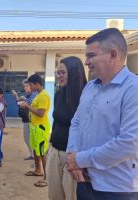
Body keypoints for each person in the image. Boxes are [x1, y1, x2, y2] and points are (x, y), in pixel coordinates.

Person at [66, 28, 138, 200]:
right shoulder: (90, 87)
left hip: (116, 190)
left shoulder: (133, 89)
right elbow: (76, 122)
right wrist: (72, 156)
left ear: (113, 54)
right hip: (84, 181)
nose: (86, 62)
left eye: (91, 55)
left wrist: (80, 159)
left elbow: (130, 142)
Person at [46, 56, 87, 200]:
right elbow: (56, 121)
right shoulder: (58, 94)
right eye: (57, 73)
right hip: (55, 152)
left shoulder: (86, 97)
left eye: (62, 72)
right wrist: (50, 146)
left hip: (74, 157)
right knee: (54, 195)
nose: (58, 76)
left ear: (74, 72)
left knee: (71, 196)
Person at [19, 73, 51, 187]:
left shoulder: (43, 96)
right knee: (36, 150)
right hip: (35, 126)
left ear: (37, 84)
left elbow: (41, 113)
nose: (30, 87)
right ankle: (38, 170)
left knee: (42, 152)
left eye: (31, 85)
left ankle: (47, 177)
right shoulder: (38, 94)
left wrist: (27, 106)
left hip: (41, 127)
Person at [12, 79, 38, 160]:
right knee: (27, 139)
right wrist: (16, 96)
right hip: (26, 120)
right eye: (24, 86)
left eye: (27, 86)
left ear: (31, 86)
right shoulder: (28, 95)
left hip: (31, 121)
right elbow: (20, 104)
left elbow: (30, 103)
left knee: (30, 139)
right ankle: (33, 155)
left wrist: (24, 99)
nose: (25, 88)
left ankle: (35, 156)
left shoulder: (34, 94)